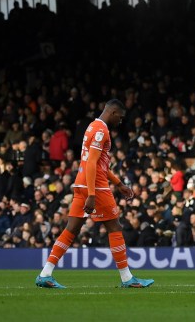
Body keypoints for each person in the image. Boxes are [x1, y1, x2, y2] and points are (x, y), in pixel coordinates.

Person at [35, 99, 154, 289]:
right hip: (95, 188)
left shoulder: (91, 127)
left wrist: (118, 183)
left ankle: (45, 274)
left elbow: (97, 164)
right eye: (120, 118)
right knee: (114, 227)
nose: (121, 122)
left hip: (81, 184)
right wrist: (92, 194)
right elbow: (92, 163)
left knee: (71, 230)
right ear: (113, 113)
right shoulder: (102, 131)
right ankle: (127, 279)